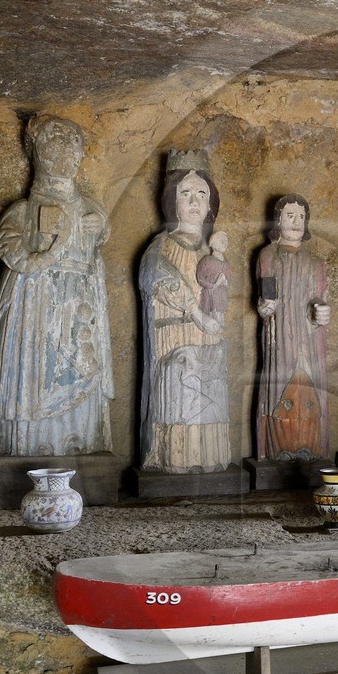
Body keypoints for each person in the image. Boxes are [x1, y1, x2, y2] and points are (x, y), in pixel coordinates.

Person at [0, 115, 113, 456]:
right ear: (37, 156)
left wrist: (98, 225)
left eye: (71, 152)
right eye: (54, 151)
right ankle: (33, 444)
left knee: (81, 367)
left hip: (79, 304)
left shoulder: (91, 210)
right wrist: (40, 255)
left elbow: (101, 234)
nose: (64, 160)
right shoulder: (22, 212)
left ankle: (79, 442)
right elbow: (10, 248)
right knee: (38, 376)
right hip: (38, 308)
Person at [138, 153, 231, 473]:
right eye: (185, 194)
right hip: (174, 335)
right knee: (180, 388)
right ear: (171, 201)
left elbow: (221, 290)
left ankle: (209, 460)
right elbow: (158, 279)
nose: (194, 202)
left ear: (211, 205)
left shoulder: (212, 250)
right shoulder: (161, 245)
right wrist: (194, 312)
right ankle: (175, 459)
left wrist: (216, 310)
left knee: (209, 394)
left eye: (202, 195)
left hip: (208, 336)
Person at [255, 194, 331, 460]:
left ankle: (310, 448)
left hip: (307, 339)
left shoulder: (316, 263)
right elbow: (267, 296)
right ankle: (279, 449)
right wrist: (265, 307)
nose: (296, 222)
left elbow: (318, 296)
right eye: (290, 216)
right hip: (280, 337)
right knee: (280, 389)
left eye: (301, 217)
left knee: (309, 393)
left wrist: (320, 312)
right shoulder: (268, 255)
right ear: (278, 220)